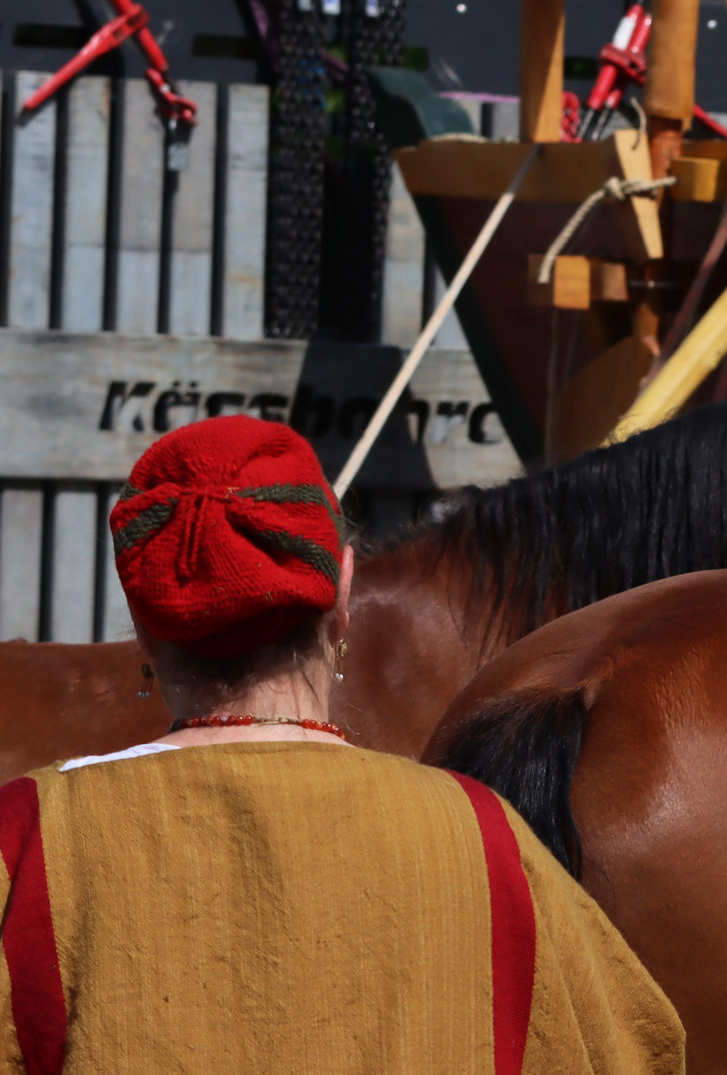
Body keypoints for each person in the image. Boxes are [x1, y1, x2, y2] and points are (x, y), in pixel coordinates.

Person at [0, 418, 683, 1075]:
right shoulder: (486, 839)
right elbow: (634, 1050)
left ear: (144, 627)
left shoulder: (24, 840)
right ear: (345, 592)